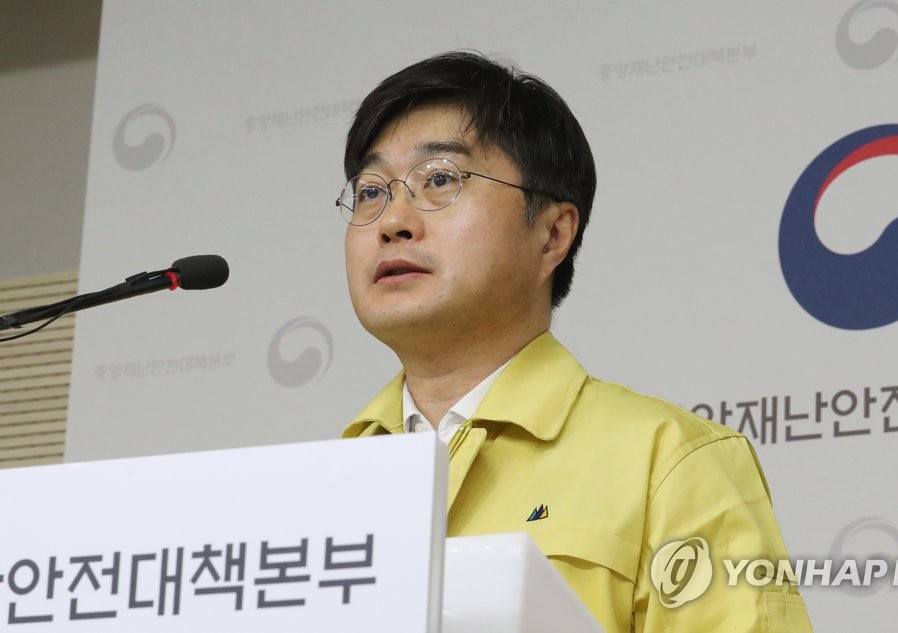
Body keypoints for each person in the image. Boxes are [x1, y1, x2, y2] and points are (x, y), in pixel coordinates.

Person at [340, 51, 813, 632]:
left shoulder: (667, 462)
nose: (392, 221)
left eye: (440, 179)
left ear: (552, 234)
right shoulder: (320, 486)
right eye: (370, 191)